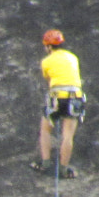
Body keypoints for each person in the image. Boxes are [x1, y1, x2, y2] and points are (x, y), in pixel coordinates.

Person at [34, 29, 86, 177]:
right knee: (68, 135)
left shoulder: (46, 61)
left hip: (57, 97)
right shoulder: (73, 57)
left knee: (45, 129)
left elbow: (48, 78)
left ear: (48, 46)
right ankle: (63, 169)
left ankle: (45, 163)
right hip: (74, 97)